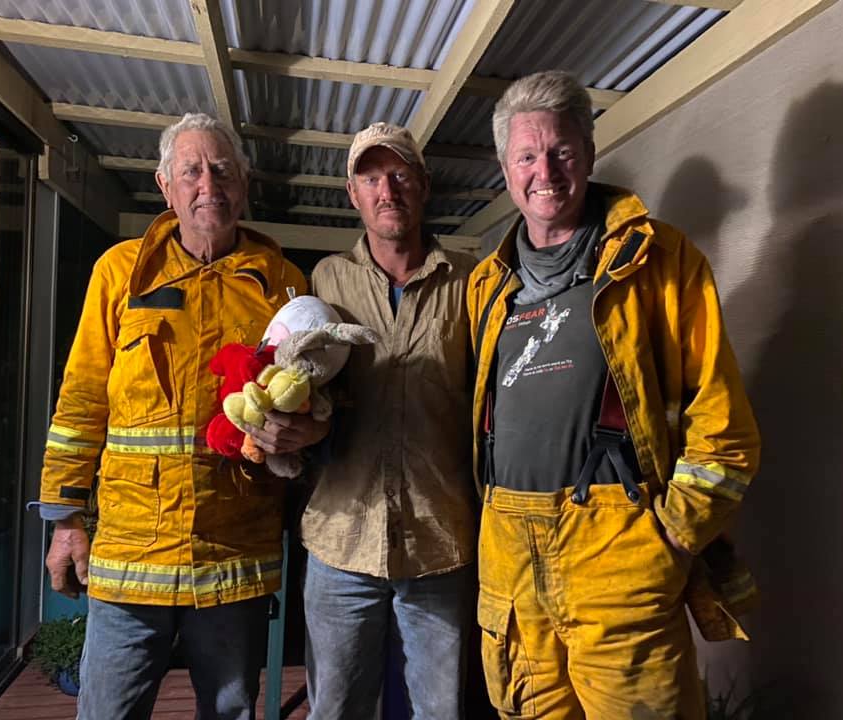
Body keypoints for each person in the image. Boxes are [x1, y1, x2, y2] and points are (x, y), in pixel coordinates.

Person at [468, 71, 761, 719]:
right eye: (526, 155)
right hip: (509, 565)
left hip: (619, 553)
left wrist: (672, 538)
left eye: (562, 152)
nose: (545, 170)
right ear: (504, 167)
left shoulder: (660, 261)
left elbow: (722, 420)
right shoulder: (485, 284)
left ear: (589, 155)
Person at [39, 112, 324, 719]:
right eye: (191, 171)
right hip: (129, 555)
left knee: (228, 711)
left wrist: (306, 432)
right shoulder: (120, 273)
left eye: (221, 170)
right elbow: (82, 399)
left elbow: (311, 403)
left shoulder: (283, 285)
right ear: (165, 186)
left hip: (234, 555)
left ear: (244, 184)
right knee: (108, 711)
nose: (208, 184)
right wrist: (65, 519)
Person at [296, 122, 477, 719]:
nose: (387, 190)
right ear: (353, 194)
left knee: (440, 710)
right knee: (336, 709)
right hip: (341, 540)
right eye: (371, 177)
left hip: (440, 541)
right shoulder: (325, 281)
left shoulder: (472, 282)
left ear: (423, 185)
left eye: (399, 174)